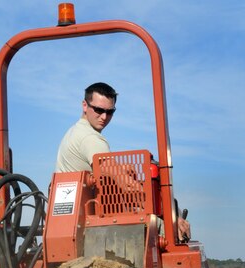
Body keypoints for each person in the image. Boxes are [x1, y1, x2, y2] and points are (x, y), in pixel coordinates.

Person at [55, 81, 190, 241]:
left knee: (128, 169)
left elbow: (114, 174)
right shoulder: (91, 139)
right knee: (166, 230)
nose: (104, 117)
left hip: (70, 220)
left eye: (110, 112)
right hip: (84, 223)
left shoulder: (75, 132)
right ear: (85, 105)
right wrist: (169, 215)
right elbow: (125, 184)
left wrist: (127, 171)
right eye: (98, 110)